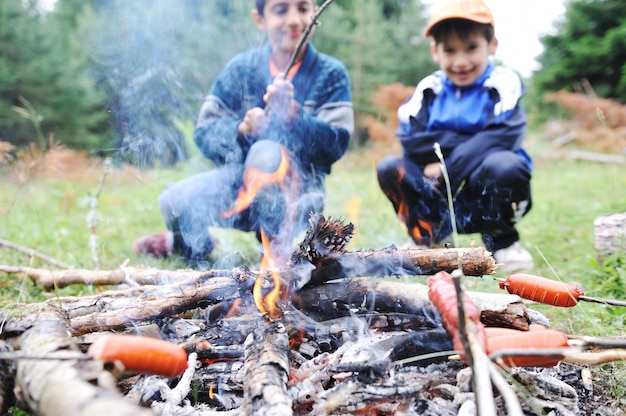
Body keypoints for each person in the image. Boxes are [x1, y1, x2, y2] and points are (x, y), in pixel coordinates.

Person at [133, 0, 354, 264]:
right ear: (259, 19)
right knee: (175, 199)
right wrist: (241, 129)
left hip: (298, 197)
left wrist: (296, 118)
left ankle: (274, 259)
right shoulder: (241, 69)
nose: (295, 20)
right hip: (237, 185)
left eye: (303, 8)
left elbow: (337, 144)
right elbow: (204, 132)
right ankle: (193, 247)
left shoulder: (330, 73)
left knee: (266, 152)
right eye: (281, 10)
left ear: (315, 15)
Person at [376, 0, 534, 271]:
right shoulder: (429, 89)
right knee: (391, 167)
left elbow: (505, 135)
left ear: (492, 45)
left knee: (502, 163)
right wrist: (475, 142)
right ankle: (429, 239)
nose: (460, 61)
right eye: (449, 50)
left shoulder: (503, 83)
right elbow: (411, 142)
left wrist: (445, 164)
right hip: (435, 194)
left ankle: (503, 242)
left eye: (471, 48)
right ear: (435, 52)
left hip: (484, 192)